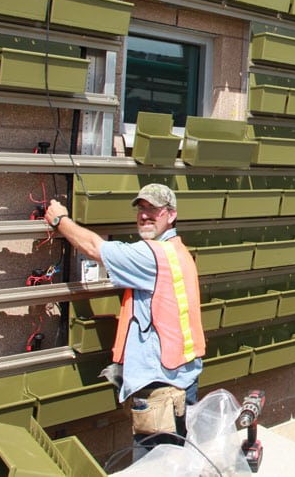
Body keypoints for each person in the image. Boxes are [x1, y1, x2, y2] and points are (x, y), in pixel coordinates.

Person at [45, 183, 205, 457]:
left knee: (155, 466)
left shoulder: (152, 255)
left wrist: (60, 219)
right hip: (181, 379)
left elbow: (95, 247)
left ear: (171, 215)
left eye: (153, 210)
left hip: (161, 389)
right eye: (141, 209)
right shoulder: (178, 251)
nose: (145, 215)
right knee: (175, 463)